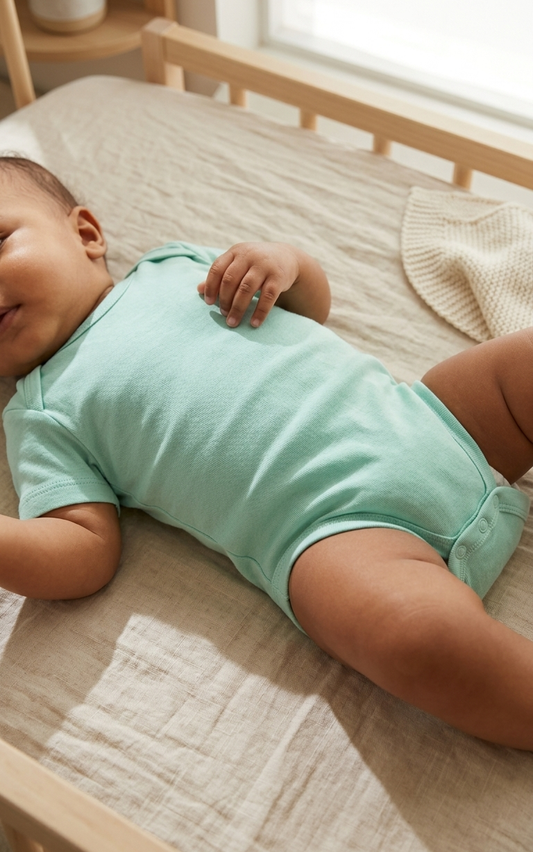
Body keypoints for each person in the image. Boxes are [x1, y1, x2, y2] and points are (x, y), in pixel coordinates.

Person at [1, 155, 533, 750]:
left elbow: (310, 309)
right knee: (415, 640)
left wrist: (287, 264)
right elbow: (82, 548)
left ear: (86, 234)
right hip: (341, 536)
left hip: (436, 419)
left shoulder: (176, 265)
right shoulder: (40, 412)